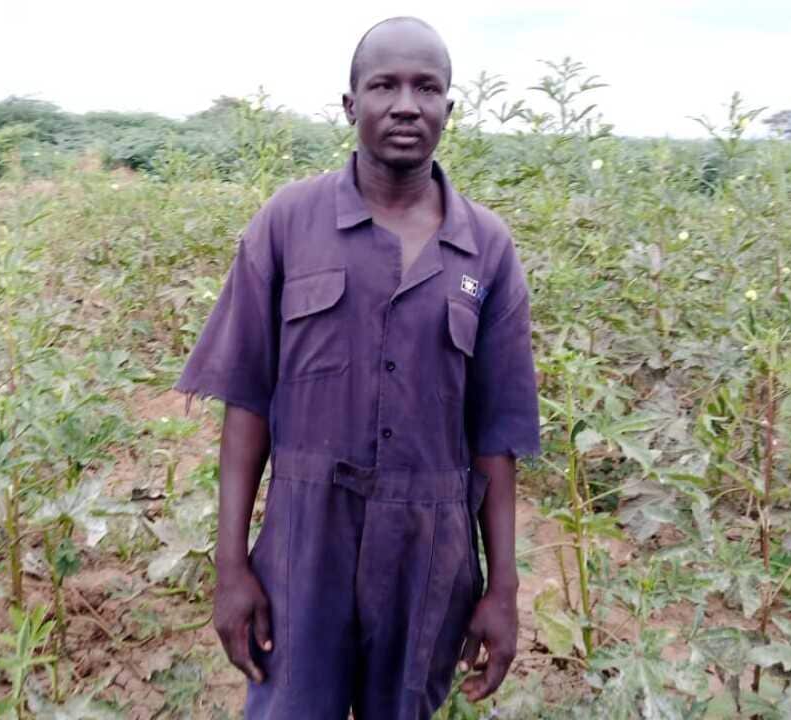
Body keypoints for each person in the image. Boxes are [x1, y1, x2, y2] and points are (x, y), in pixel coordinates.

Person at [175, 16, 541, 719]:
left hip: (428, 551)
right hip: (303, 541)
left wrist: (503, 588)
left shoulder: (487, 249)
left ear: (448, 109)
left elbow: (496, 436)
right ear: (351, 106)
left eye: (426, 87)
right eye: (384, 85)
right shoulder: (288, 223)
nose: (406, 103)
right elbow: (246, 406)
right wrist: (231, 564)